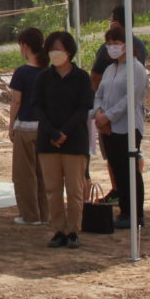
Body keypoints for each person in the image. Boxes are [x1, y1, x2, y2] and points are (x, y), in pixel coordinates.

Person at [33, 29, 94, 249]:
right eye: (50, 49)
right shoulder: (43, 78)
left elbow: (83, 108)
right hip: (48, 142)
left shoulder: (81, 77)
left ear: (69, 51)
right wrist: (52, 133)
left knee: (75, 189)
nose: (53, 53)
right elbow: (38, 108)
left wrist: (64, 132)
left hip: (74, 140)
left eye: (57, 49)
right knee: (53, 188)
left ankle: (73, 231)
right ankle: (58, 230)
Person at [94, 24, 147, 228]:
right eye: (109, 44)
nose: (112, 47)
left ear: (127, 45)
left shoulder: (136, 69)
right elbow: (99, 93)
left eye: (116, 43)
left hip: (128, 126)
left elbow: (130, 99)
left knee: (129, 170)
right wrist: (99, 114)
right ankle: (124, 211)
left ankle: (136, 214)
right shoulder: (109, 69)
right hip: (107, 128)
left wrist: (108, 116)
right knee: (117, 169)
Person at [6, 27, 49, 226]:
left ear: (24, 46)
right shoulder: (48, 70)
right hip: (45, 128)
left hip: (25, 127)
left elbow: (16, 101)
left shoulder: (23, 72)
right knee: (43, 173)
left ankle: (30, 214)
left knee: (24, 174)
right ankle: (44, 213)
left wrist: (11, 125)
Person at [89, 4, 148, 89]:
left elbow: (95, 77)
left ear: (116, 24)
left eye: (111, 21)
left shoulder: (107, 48)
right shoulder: (140, 44)